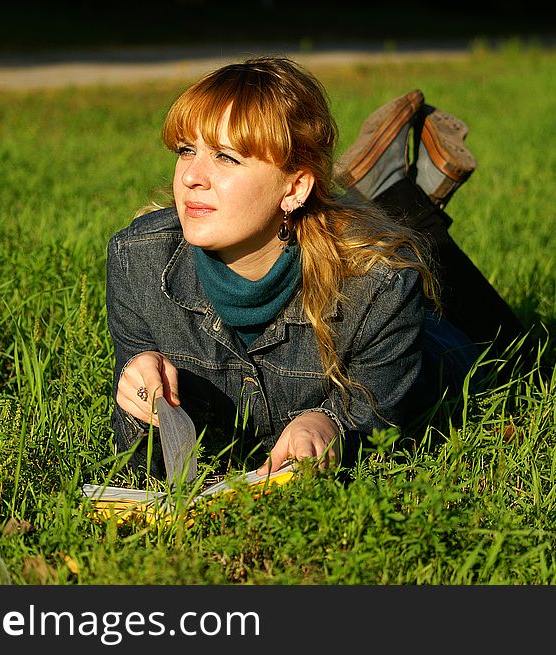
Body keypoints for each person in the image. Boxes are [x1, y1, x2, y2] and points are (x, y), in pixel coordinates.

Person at [105, 56, 529, 480]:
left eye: (227, 158)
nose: (192, 177)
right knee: (368, 234)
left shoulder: (379, 286)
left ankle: (406, 206)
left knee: (517, 356)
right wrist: (136, 394)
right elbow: (143, 450)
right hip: (307, 224)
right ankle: (376, 195)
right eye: (186, 150)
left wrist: (333, 425)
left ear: (293, 187)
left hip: (430, 350)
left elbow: (381, 410)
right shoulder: (137, 262)